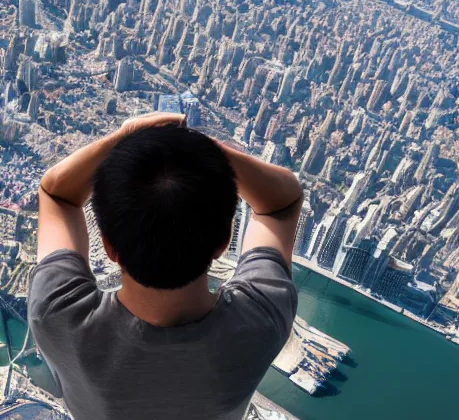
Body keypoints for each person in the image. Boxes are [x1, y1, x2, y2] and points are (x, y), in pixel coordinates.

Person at [28, 112, 303, 420]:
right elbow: (282, 202)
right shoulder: (263, 318)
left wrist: (124, 137)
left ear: (108, 247)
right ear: (225, 240)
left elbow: (56, 194)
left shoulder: (57, 315)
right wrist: (210, 152)